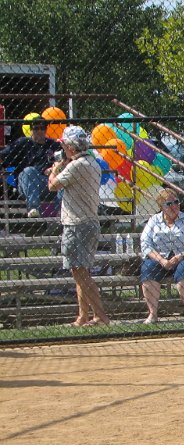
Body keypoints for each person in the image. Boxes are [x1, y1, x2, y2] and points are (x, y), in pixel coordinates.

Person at [46, 126, 109, 327]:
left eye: (64, 144)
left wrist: (55, 169)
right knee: (81, 272)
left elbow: (52, 186)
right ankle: (83, 316)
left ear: (71, 146)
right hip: (89, 221)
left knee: (79, 272)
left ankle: (100, 316)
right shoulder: (92, 163)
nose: (62, 147)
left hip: (77, 223)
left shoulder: (76, 166)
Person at [140, 188, 184, 324]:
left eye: (176, 202)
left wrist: (179, 256)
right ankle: (152, 314)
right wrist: (161, 260)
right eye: (168, 204)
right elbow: (146, 244)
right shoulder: (154, 220)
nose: (174, 206)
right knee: (148, 269)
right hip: (159, 257)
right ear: (161, 207)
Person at [1, 116, 61, 217]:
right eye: (36, 128)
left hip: (49, 183)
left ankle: (61, 212)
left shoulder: (53, 145)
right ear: (31, 130)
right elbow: (3, 155)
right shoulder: (23, 142)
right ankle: (34, 209)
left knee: (64, 177)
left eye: (42, 128)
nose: (39, 131)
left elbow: (66, 160)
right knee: (29, 171)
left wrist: (54, 168)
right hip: (26, 184)